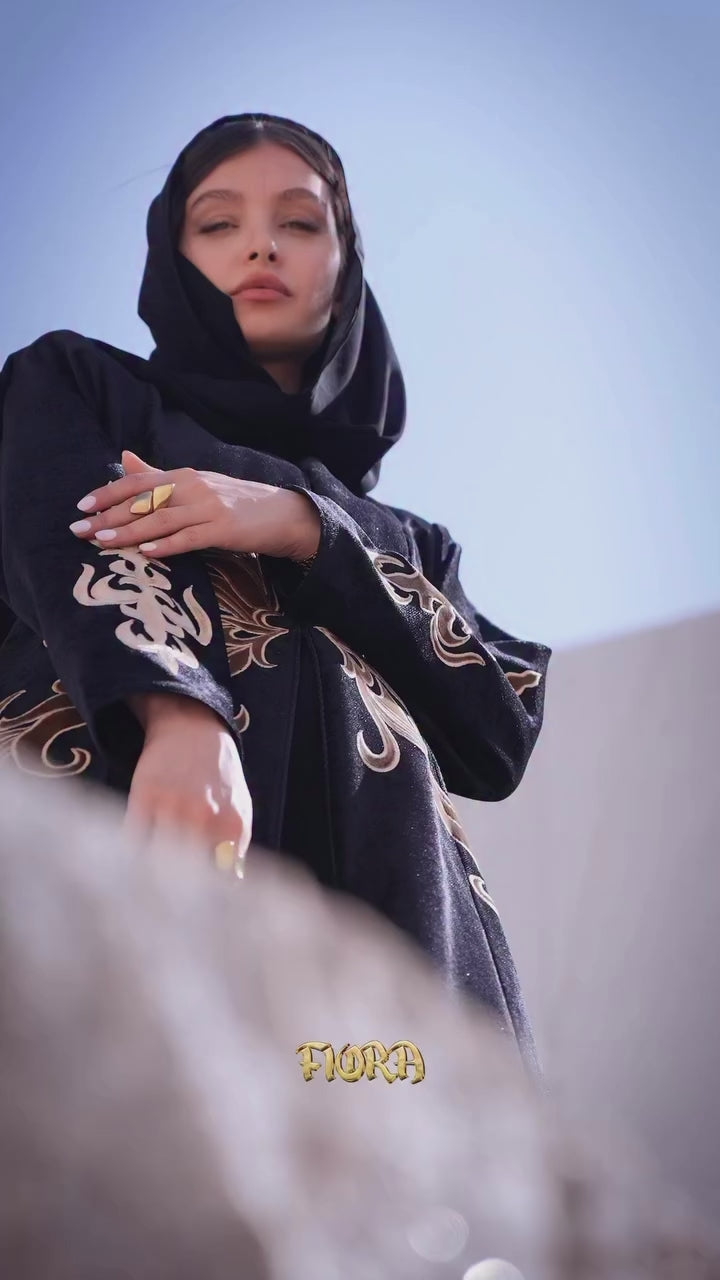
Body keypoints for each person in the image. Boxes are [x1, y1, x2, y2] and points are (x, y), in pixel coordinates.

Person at [0, 112, 552, 1070]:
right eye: (218, 223)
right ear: (172, 256)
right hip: (131, 831)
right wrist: (178, 718)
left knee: (397, 1154)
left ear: (346, 262)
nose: (260, 245)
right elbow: (69, 535)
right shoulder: (76, 384)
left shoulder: (415, 542)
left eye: (299, 221)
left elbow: (500, 727)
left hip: (393, 962)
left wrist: (303, 525)